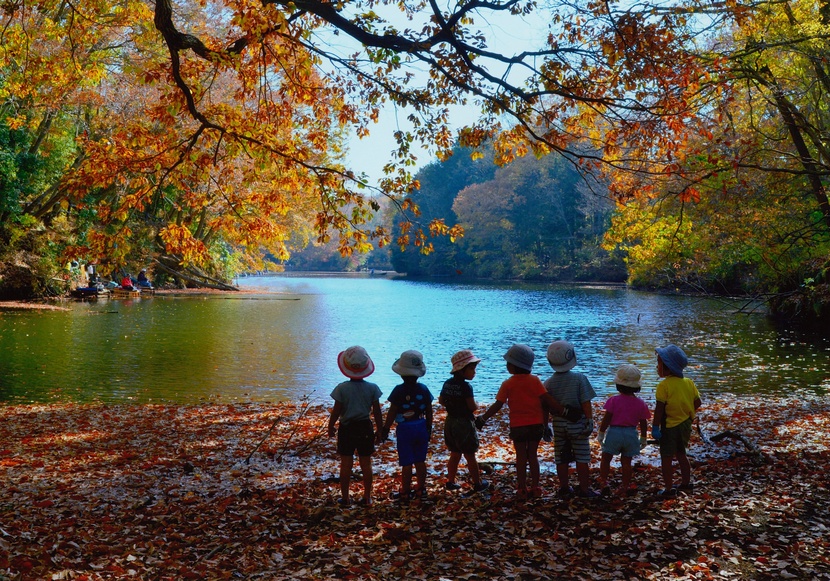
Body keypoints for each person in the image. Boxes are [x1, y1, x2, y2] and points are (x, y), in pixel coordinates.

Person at [477, 344, 565, 499]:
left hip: (518, 426)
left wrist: (483, 418)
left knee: (521, 457)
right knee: (532, 456)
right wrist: (561, 410)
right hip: (535, 425)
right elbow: (546, 399)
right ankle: (536, 486)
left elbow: (498, 404)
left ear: (513, 366)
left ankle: (522, 488)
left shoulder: (508, 384)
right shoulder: (535, 380)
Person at [327, 346, 384, 507]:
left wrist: (331, 427)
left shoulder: (342, 388)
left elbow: (336, 411)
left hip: (347, 428)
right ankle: (367, 497)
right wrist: (379, 430)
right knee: (366, 463)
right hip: (365, 427)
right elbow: (377, 412)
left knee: (346, 464)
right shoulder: (372, 388)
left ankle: (345, 498)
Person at [542, 340, 599, 499]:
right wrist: (589, 420)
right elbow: (585, 401)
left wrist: (545, 426)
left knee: (561, 457)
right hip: (578, 424)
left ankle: (564, 487)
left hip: (559, 424)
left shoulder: (548, 383)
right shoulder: (579, 379)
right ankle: (584, 488)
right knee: (582, 456)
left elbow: (545, 406)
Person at [379, 350, 434, 502]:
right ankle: (421, 489)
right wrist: (429, 427)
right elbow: (429, 410)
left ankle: (405, 491)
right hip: (421, 426)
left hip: (404, 428)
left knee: (407, 462)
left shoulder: (398, 390)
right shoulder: (424, 389)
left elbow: (392, 412)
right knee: (420, 460)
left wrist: (385, 429)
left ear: (401, 374)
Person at [652, 344, 702, 497]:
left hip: (669, 426)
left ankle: (668, 489)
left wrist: (655, 427)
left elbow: (660, 409)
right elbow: (697, 402)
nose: (657, 366)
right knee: (681, 454)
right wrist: (689, 414)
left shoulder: (664, 385)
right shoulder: (689, 382)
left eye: (659, 363)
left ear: (667, 367)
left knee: (666, 457)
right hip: (685, 424)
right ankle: (686, 483)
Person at [596, 364, 651, 498]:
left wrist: (601, 433)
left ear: (618, 385)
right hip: (631, 433)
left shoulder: (613, 401)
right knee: (626, 462)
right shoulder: (641, 403)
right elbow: (643, 422)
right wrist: (643, 438)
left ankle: (604, 482)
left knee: (606, 458)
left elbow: (607, 419)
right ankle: (625, 486)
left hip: (614, 432)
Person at [438, 350, 490, 493]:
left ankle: (450, 481)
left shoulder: (447, 383)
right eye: (472, 368)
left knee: (454, 453)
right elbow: (472, 407)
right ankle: (478, 483)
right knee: (470, 454)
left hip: (450, 422)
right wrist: (478, 406)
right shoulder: (466, 387)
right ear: (461, 370)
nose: (474, 372)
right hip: (464, 423)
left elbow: (441, 400)